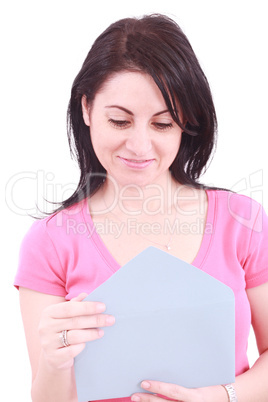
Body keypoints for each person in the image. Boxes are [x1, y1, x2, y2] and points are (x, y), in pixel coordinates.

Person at [14, 14, 268, 402]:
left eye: (163, 124)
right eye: (119, 121)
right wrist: (53, 361)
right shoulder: (50, 242)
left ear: (186, 124)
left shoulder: (242, 221)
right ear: (86, 109)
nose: (140, 146)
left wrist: (219, 397)